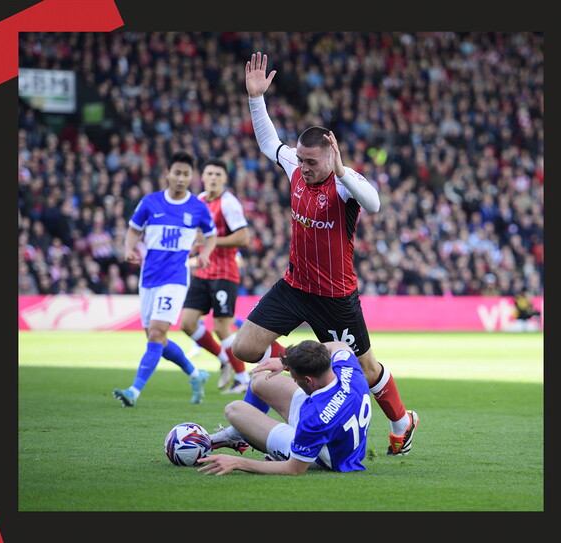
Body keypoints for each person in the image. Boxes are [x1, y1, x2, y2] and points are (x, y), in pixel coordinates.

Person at [230, 52, 418, 456]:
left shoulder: (346, 185)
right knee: (244, 348)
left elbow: (375, 204)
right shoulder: (293, 168)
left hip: (336, 298)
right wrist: (255, 98)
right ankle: (297, 362)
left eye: (312, 161)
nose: (304, 166)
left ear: (331, 157)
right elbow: (268, 142)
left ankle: (403, 422)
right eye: (301, 159)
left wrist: (345, 169)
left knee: (367, 372)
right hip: (295, 285)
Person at [112, 151, 218, 406]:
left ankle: (133, 392)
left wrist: (205, 253)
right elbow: (133, 230)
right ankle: (196, 374)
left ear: (191, 177)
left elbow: (211, 234)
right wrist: (129, 249)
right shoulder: (150, 202)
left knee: (157, 332)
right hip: (148, 277)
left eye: (186, 174)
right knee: (154, 336)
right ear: (168, 174)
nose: (181, 178)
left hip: (175, 278)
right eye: (177, 173)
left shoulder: (197, 207)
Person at [199, 340, 370, 475]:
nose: (293, 380)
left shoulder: (314, 417)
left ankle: (243, 435)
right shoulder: (348, 369)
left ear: (309, 380)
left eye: (295, 378)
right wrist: (286, 362)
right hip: (336, 427)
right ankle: (238, 435)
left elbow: (294, 469)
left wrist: (237, 463)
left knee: (234, 409)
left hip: (323, 455)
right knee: (260, 380)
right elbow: (339, 345)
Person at [178, 158, 255, 395]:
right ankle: (224, 358)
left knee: (222, 326)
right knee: (188, 323)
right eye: (209, 173)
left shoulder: (229, 203)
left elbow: (243, 238)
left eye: (218, 175)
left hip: (224, 273)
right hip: (203, 271)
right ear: (202, 177)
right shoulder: (199, 200)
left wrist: (210, 241)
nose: (213, 178)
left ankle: (242, 378)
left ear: (224, 179)